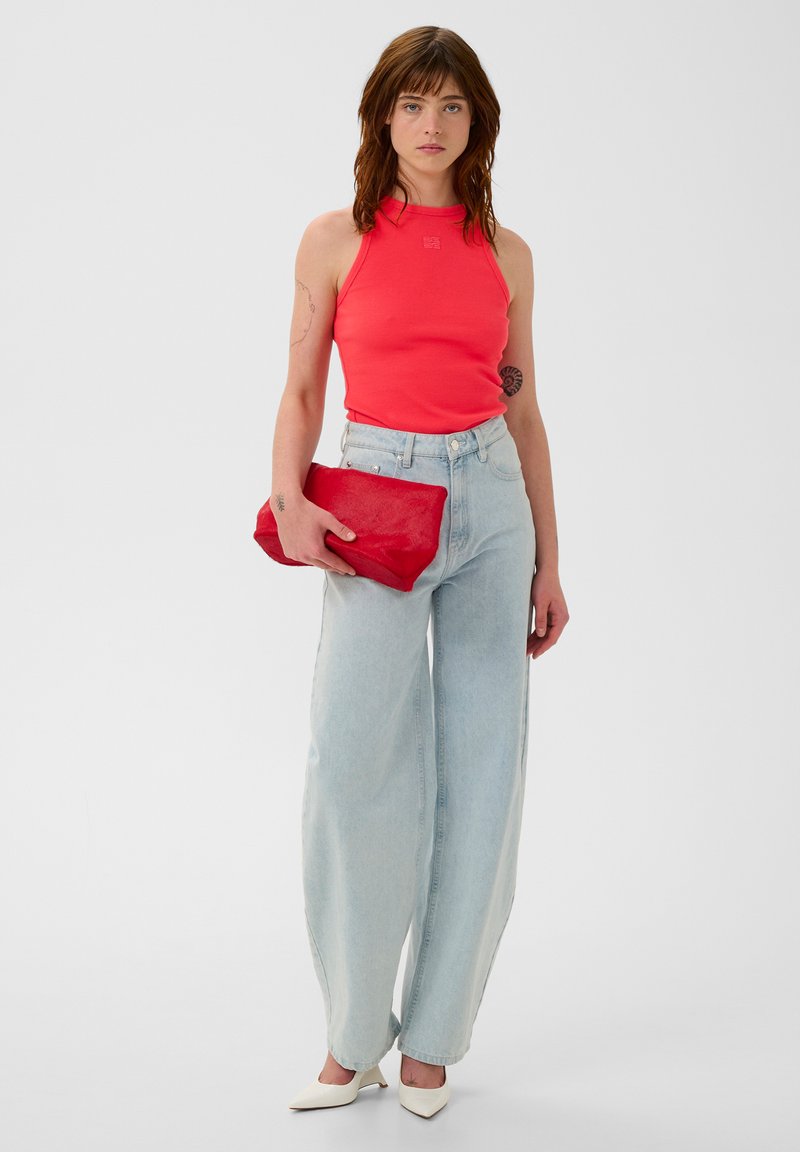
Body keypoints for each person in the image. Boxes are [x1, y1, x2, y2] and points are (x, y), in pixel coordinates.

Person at [271, 26, 569, 1117]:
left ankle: (434, 1037)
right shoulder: (335, 239)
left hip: (490, 506)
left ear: (475, 122)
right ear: (380, 117)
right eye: (411, 105)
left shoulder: (508, 252)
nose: (430, 125)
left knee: (484, 768)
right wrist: (293, 494)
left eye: (450, 107)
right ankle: (354, 1034)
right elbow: (301, 385)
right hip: (379, 503)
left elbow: (523, 407)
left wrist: (549, 555)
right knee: (353, 762)